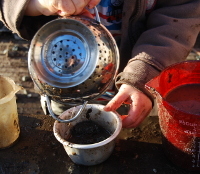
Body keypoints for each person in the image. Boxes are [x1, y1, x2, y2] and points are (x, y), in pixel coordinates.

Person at [0, 0, 199, 128]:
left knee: (132, 142)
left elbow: (182, 13)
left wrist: (145, 74)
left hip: (135, 91)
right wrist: (34, 4)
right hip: (63, 88)